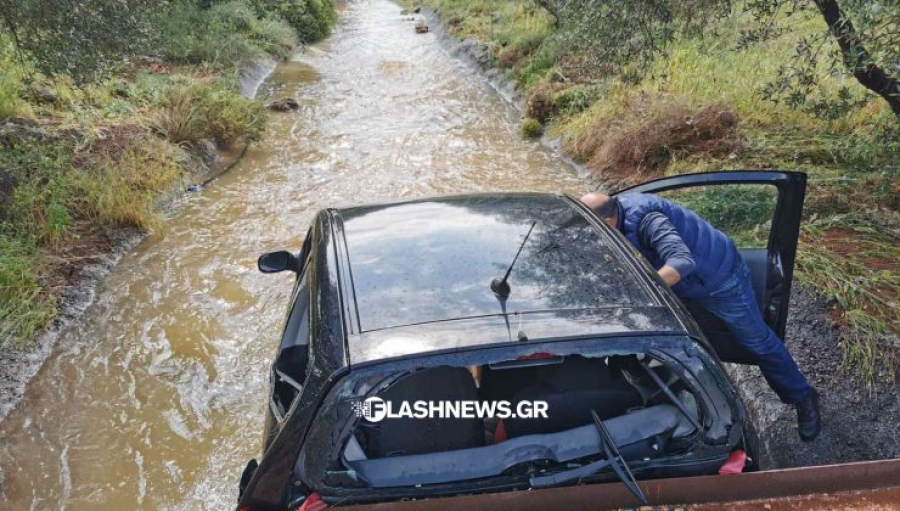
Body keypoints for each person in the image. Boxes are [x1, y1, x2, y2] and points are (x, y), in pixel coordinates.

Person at [581, 191, 821, 441]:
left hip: (719, 280)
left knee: (757, 342)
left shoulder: (648, 219)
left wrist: (642, 292)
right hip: (681, 284)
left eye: (593, 228)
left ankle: (803, 397)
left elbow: (682, 262)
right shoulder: (615, 214)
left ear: (608, 222)